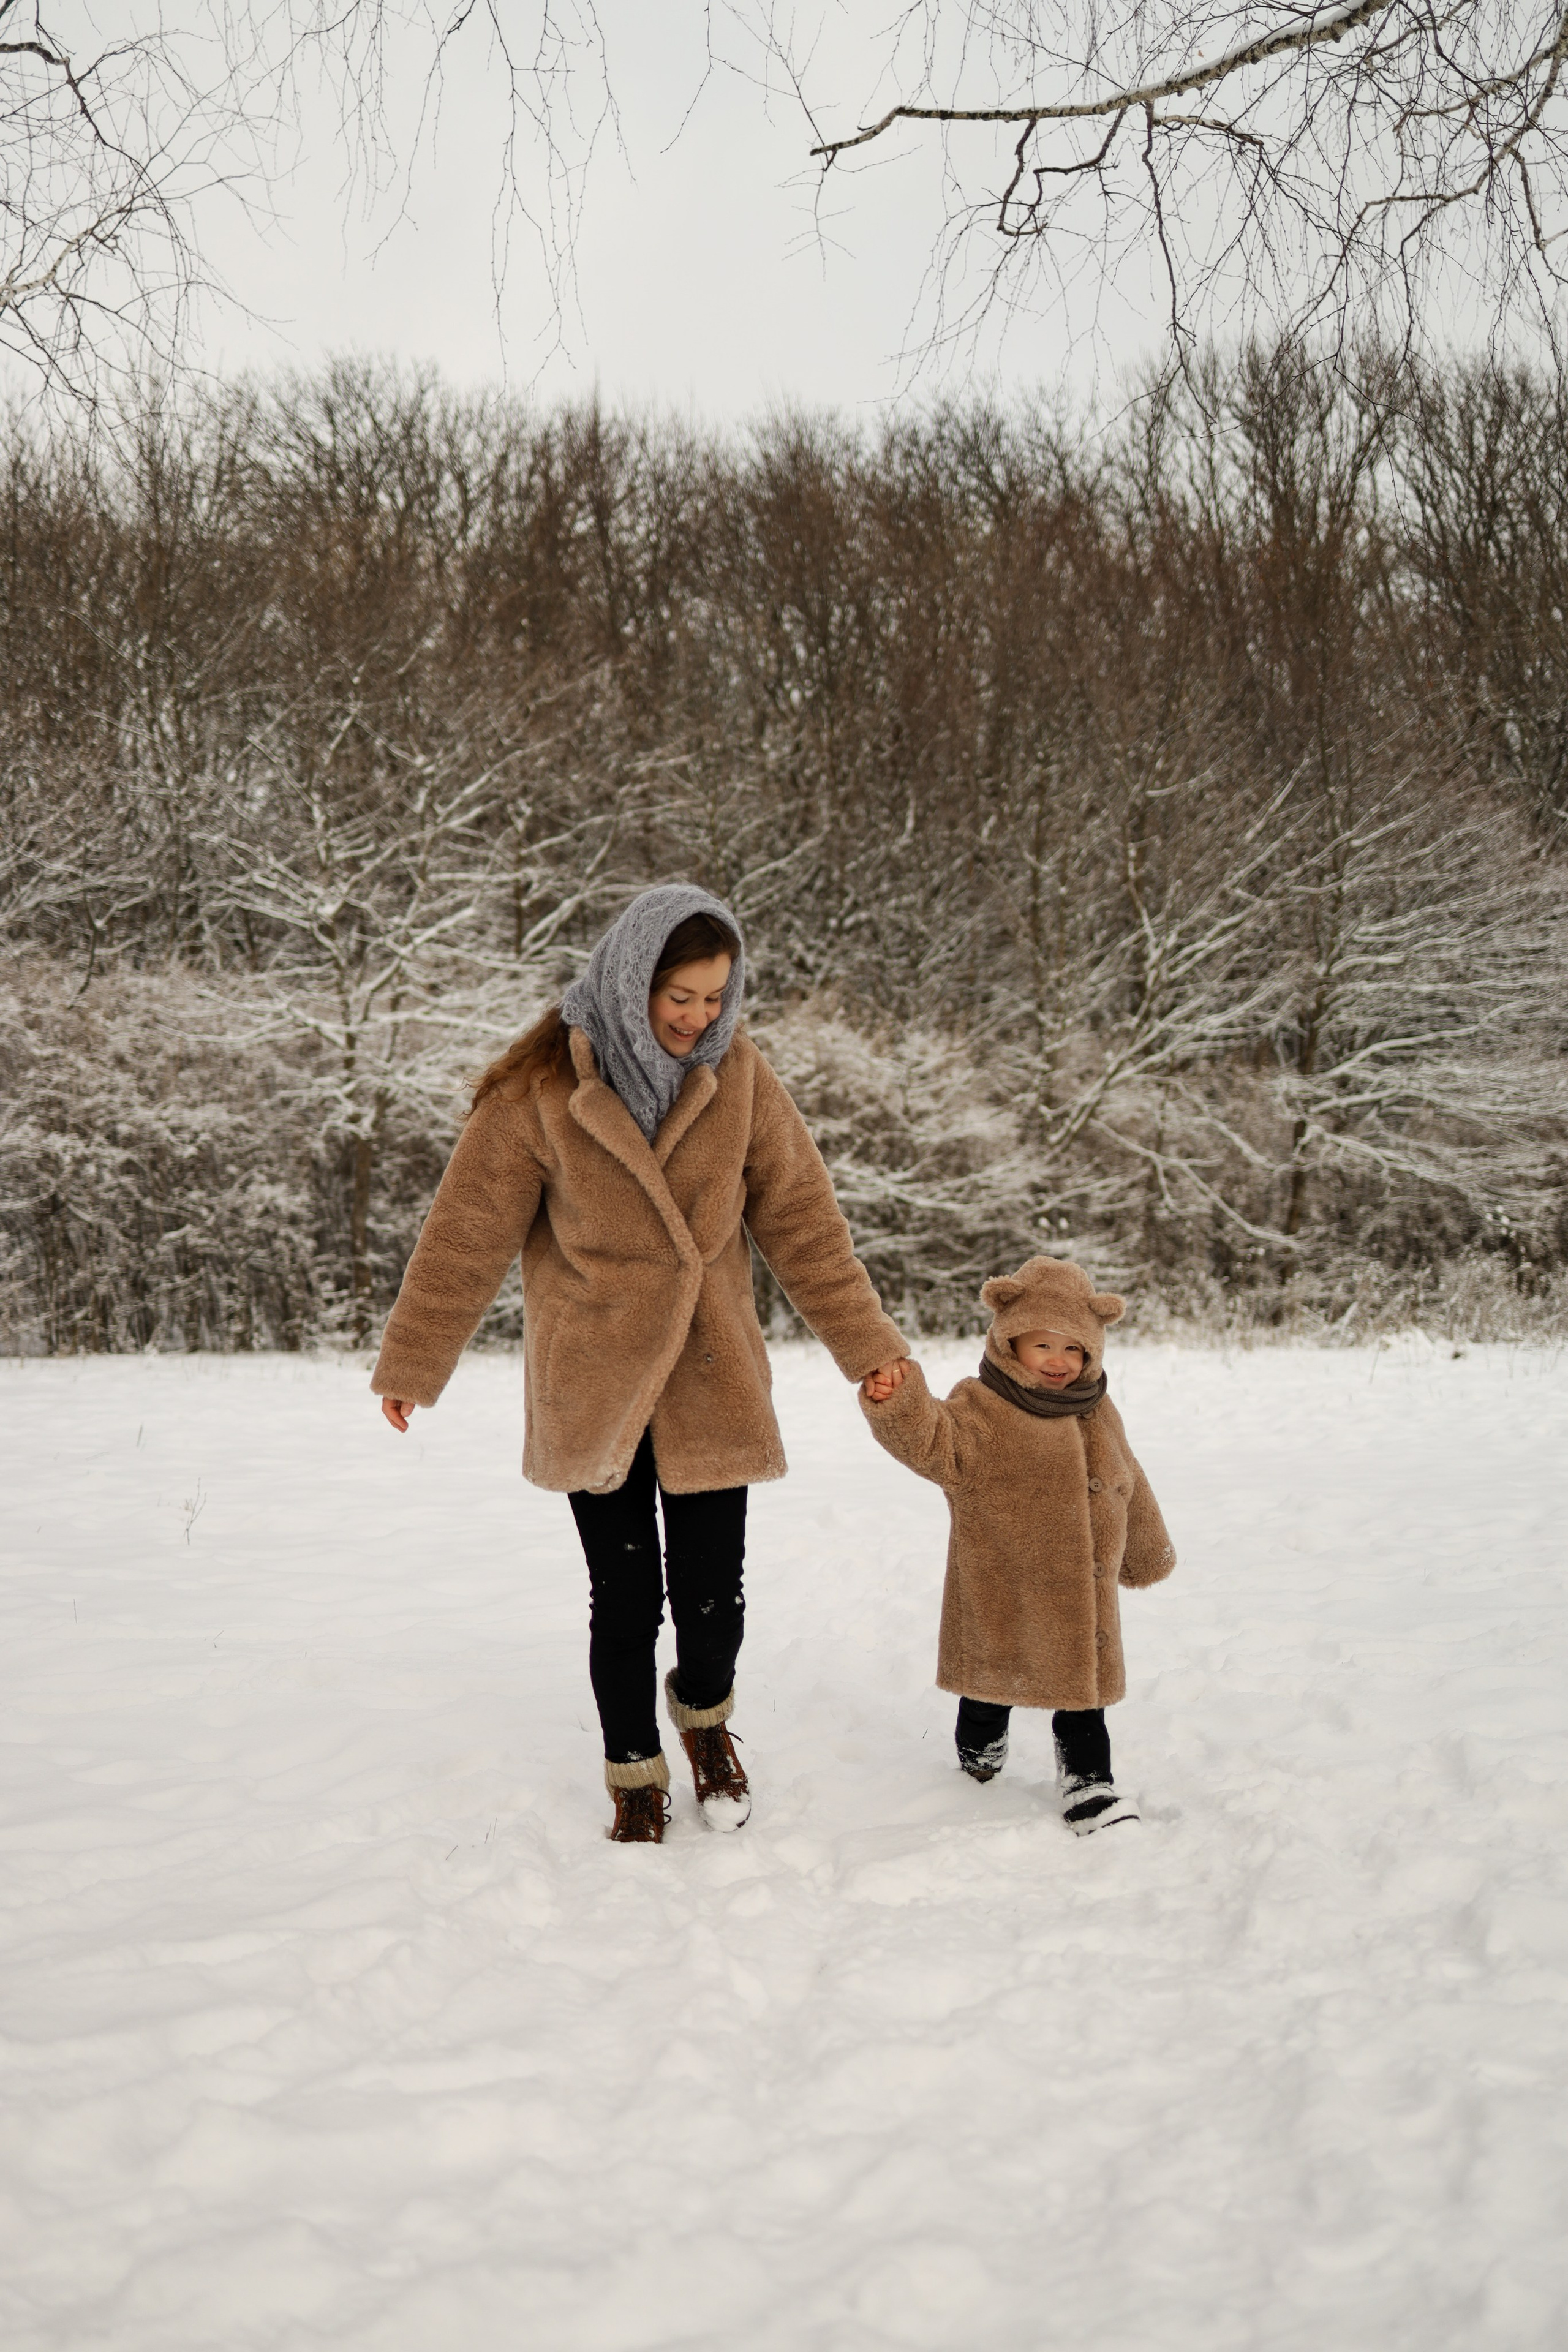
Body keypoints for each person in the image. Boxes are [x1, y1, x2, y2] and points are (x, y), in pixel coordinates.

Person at [372, 883, 908, 1843]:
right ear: (632, 981)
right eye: (681, 997)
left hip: (711, 1374)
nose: (700, 1018)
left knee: (712, 1609)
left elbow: (804, 1225)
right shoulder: (542, 1091)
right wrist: (414, 1361)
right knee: (623, 1598)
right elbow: (466, 1235)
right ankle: (633, 1774)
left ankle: (704, 1722)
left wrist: (867, 1348)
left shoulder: (740, 1078)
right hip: (597, 1381)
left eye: (716, 997)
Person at [859, 1255, 1174, 1834]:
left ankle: (1089, 1785)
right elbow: (932, 1441)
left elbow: (1127, 1476)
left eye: (1075, 1350)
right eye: (1044, 1346)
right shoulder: (982, 1405)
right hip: (1001, 1577)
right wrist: (899, 1401)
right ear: (1010, 1342)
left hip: (1082, 1586)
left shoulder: (1096, 1409)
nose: (1060, 1362)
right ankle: (977, 1756)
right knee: (992, 1683)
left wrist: (1146, 1546)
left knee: (1083, 1694)